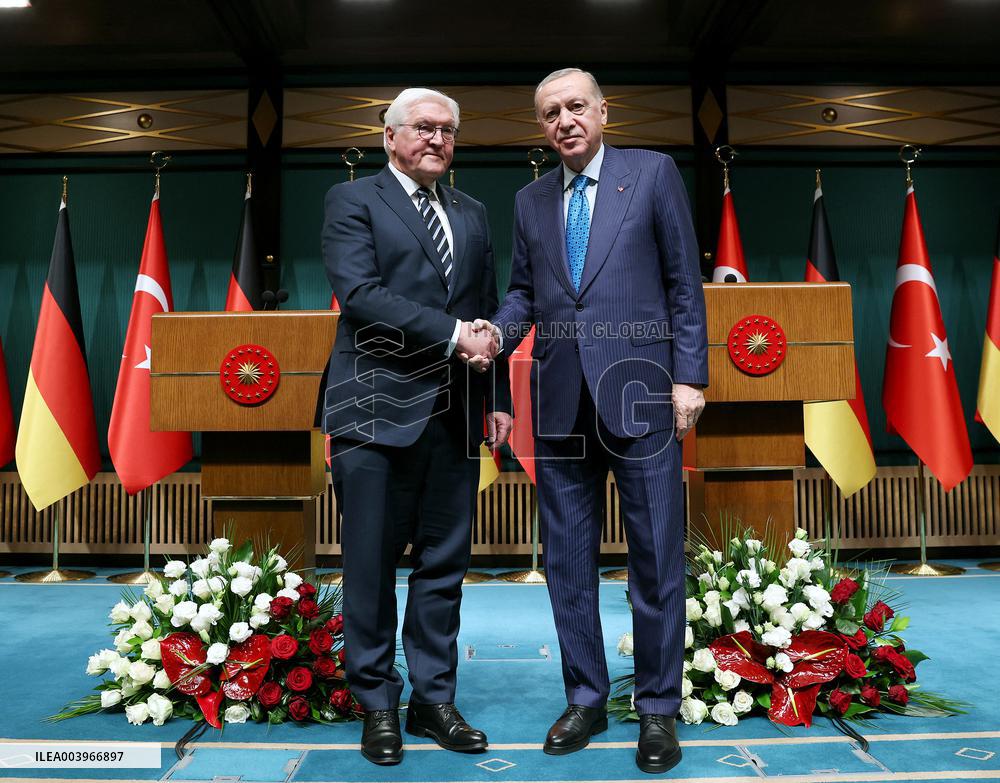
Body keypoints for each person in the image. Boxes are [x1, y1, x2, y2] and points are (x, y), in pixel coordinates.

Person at [483, 68, 707, 775]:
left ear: (604, 110)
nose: (564, 120)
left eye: (576, 106)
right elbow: (524, 291)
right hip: (559, 405)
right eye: (550, 112)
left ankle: (658, 710)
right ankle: (584, 697)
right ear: (542, 126)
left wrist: (690, 374)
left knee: (656, 562)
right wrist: (495, 331)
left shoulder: (653, 174)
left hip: (642, 395)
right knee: (568, 565)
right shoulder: (529, 199)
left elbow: (683, 281)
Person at [319, 87, 511, 767]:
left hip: (457, 414)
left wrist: (499, 396)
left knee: (443, 568)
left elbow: (487, 309)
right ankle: (377, 703)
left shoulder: (474, 212)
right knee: (369, 567)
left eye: (447, 130)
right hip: (373, 413)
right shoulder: (353, 200)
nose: (436, 139)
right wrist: (457, 333)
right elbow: (363, 295)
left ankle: (434, 699)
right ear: (391, 136)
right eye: (423, 128)